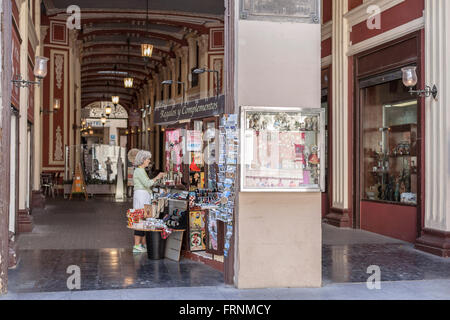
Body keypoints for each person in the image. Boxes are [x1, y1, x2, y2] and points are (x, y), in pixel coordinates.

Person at [132, 150, 166, 253]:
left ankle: (142, 244)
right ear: (143, 160)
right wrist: (157, 177)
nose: (149, 161)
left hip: (143, 196)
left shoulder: (141, 170)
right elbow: (147, 183)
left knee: (144, 219)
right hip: (141, 196)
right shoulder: (139, 171)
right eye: (148, 159)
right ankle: (137, 245)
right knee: (140, 219)